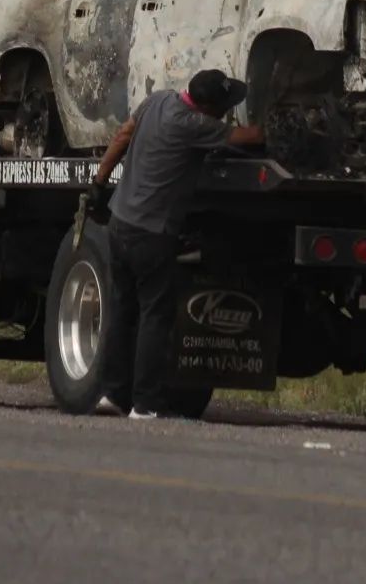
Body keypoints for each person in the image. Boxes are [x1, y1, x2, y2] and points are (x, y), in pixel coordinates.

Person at [88, 69, 263, 419]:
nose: (227, 111)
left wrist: (99, 180)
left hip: (119, 221)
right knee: (155, 316)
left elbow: (124, 133)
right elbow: (248, 137)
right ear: (209, 107)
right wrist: (277, 126)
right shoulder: (197, 126)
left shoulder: (158, 100)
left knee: (122, 312)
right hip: (152, 235)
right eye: (225, 106)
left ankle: (112, 395)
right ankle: (144, 404)